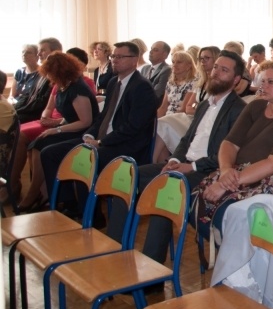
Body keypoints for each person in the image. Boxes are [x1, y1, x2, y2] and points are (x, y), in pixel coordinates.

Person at [107, 50, 247, 260]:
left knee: (166, 189)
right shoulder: (204, 104)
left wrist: (190, 167)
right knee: (125, 176)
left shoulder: (239, 110)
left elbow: (225, 154)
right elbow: (186, 139)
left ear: (236, 80)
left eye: (224, 70)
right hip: (183, 164)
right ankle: (113, 249)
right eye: (216, 67)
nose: (216, 72)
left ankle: (152, 268)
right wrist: (174, 160)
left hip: (207, 171)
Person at [41, 41, 159, 211]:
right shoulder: (113, 83)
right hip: (103, 140)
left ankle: (91, 214)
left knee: (85, 158)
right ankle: (66, 203)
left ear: (134, 60)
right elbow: (103, 116)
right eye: (113, 56)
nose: (114, 60)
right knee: (49, 153)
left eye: (120, 57)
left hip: (127, 145)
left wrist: (101, 142)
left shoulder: (141, 87)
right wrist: (89, 134)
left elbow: (133, 127)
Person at [201, 57, 273, 220]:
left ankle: (238, 243)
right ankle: (231, 242)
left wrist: (225, 184)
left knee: (225, 211)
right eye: (262, 81)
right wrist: (226, 169)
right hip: (241, 174)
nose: (263, 86)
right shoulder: (256, 106)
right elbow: (230, 143)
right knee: (197, 199)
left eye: (270, 81)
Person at [16, 52, 100, 212]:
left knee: (46, 149)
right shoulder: (63, 87)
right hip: (72, 128)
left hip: (84, 132)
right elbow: (69, 115)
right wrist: (55, 123)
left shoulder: (78, 89)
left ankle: (45, 194)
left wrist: (57, 129)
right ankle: (43, 192)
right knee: (37, 143)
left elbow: (85, 121)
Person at [151, 51, 197, 163]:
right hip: (168, 118)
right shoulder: (170, 83)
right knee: (155, 125)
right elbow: (163, 107)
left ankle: (151, 161)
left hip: (182, 118)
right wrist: (152, 120)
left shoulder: (193, 82)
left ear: (189, 65)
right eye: (173, 62)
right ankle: (161, 166)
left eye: (179, 62)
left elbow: (184, 109)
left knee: (162, 126)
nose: (174, 65)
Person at [14, 38, 61, 124]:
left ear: (55, 52)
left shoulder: (57, 74)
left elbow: (42, 103)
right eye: (38, 51)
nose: (38, 54)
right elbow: (29, 97)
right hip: (29, 111)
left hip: (39, 116)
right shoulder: (44, 73)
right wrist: (15, 109)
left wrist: (17, 112)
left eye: (42, 50)